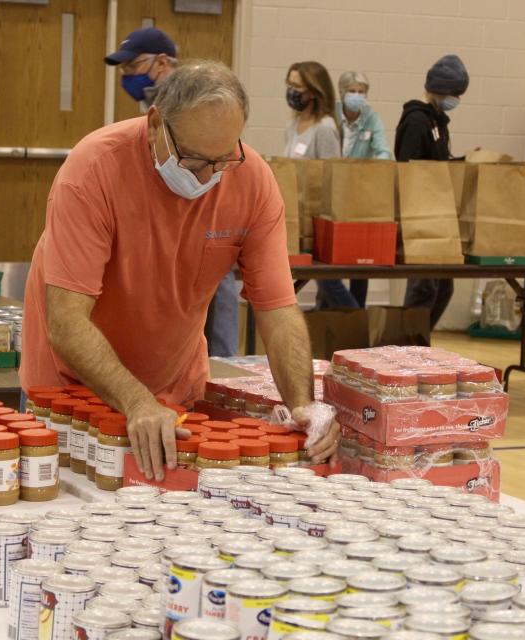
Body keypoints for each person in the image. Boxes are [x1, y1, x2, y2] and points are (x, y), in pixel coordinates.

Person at [20, 61, 339, 480]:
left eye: (222, 161)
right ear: (155, 125)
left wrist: (302, 403)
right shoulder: (94, 170)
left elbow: (277, 309)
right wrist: (135, 401)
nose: (207, 178)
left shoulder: (253, 181)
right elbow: (65, 322)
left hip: (170, 392)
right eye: (191, 161)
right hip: (71, 393)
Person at [106, 28, 240, 357]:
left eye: (132, 65)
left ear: (162, 62)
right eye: (122, 69)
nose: (127, 75)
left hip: (205, 214)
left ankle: (221, 366)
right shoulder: (151, 105)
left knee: (216, 292)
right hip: (165, 217)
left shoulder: (194, 100)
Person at [395, 54, 469, 330]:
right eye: (456, 93)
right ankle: (407, 346)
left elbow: (438, 164)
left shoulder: (439, 121)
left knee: (444, 289)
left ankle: (419, 339)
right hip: (421, 217)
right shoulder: (416, 120)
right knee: (423, 290)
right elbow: (409, 169)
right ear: (442, 89)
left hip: (439, 216)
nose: (457, 100)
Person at [283, 61, 355, 310]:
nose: (292, 91)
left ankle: (363, 329)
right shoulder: (293, 125)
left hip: (318, 219)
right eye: (289, 85)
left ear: (313, 91)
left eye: (297, 86)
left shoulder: (324, 128)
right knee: (326, 289)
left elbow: (331, 176)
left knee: (330, 283)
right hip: (297, 216)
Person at [333, 70, 392, 308]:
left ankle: (356, 309)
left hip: (360, 192)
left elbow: (383, 151)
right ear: (342, 93)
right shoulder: (332, 114)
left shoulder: (371, 118)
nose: (357, 96)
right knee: (330, 261)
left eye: (361, 92)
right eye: (352, 91)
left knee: (361, 258)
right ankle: (338, 309)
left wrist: (378, 169)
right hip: (335, 188)